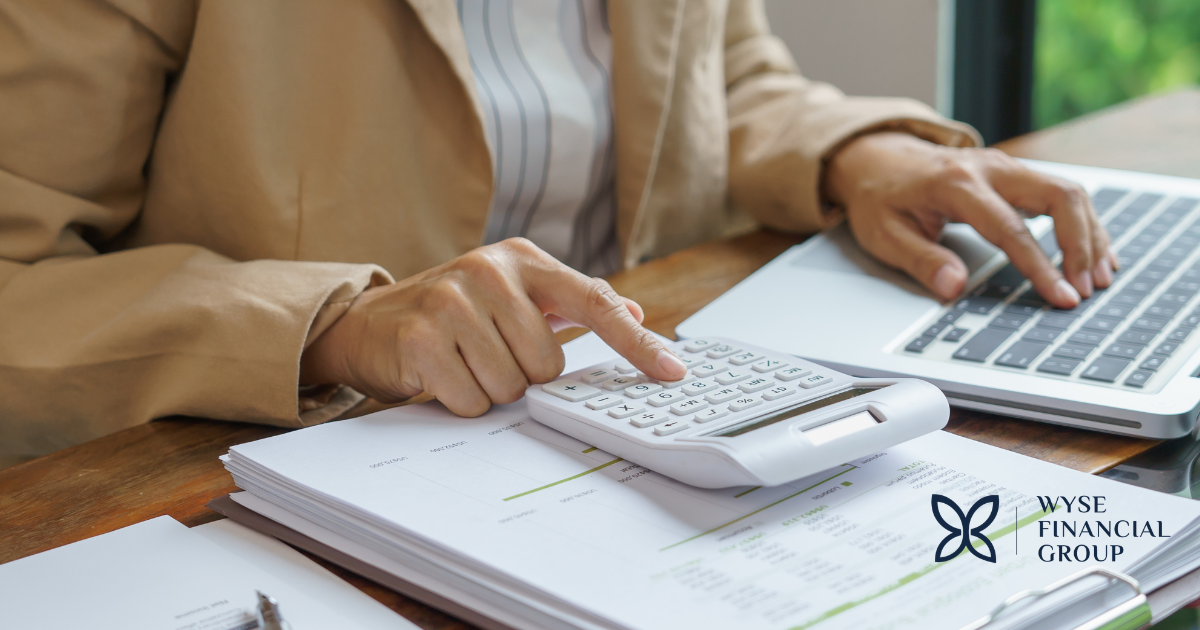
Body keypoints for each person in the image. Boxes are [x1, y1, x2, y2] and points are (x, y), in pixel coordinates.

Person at [0, 0, 1113, 468]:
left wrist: (857, 155)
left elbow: (723, 74)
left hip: (650, 427)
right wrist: (332, 325)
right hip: (297, 463)